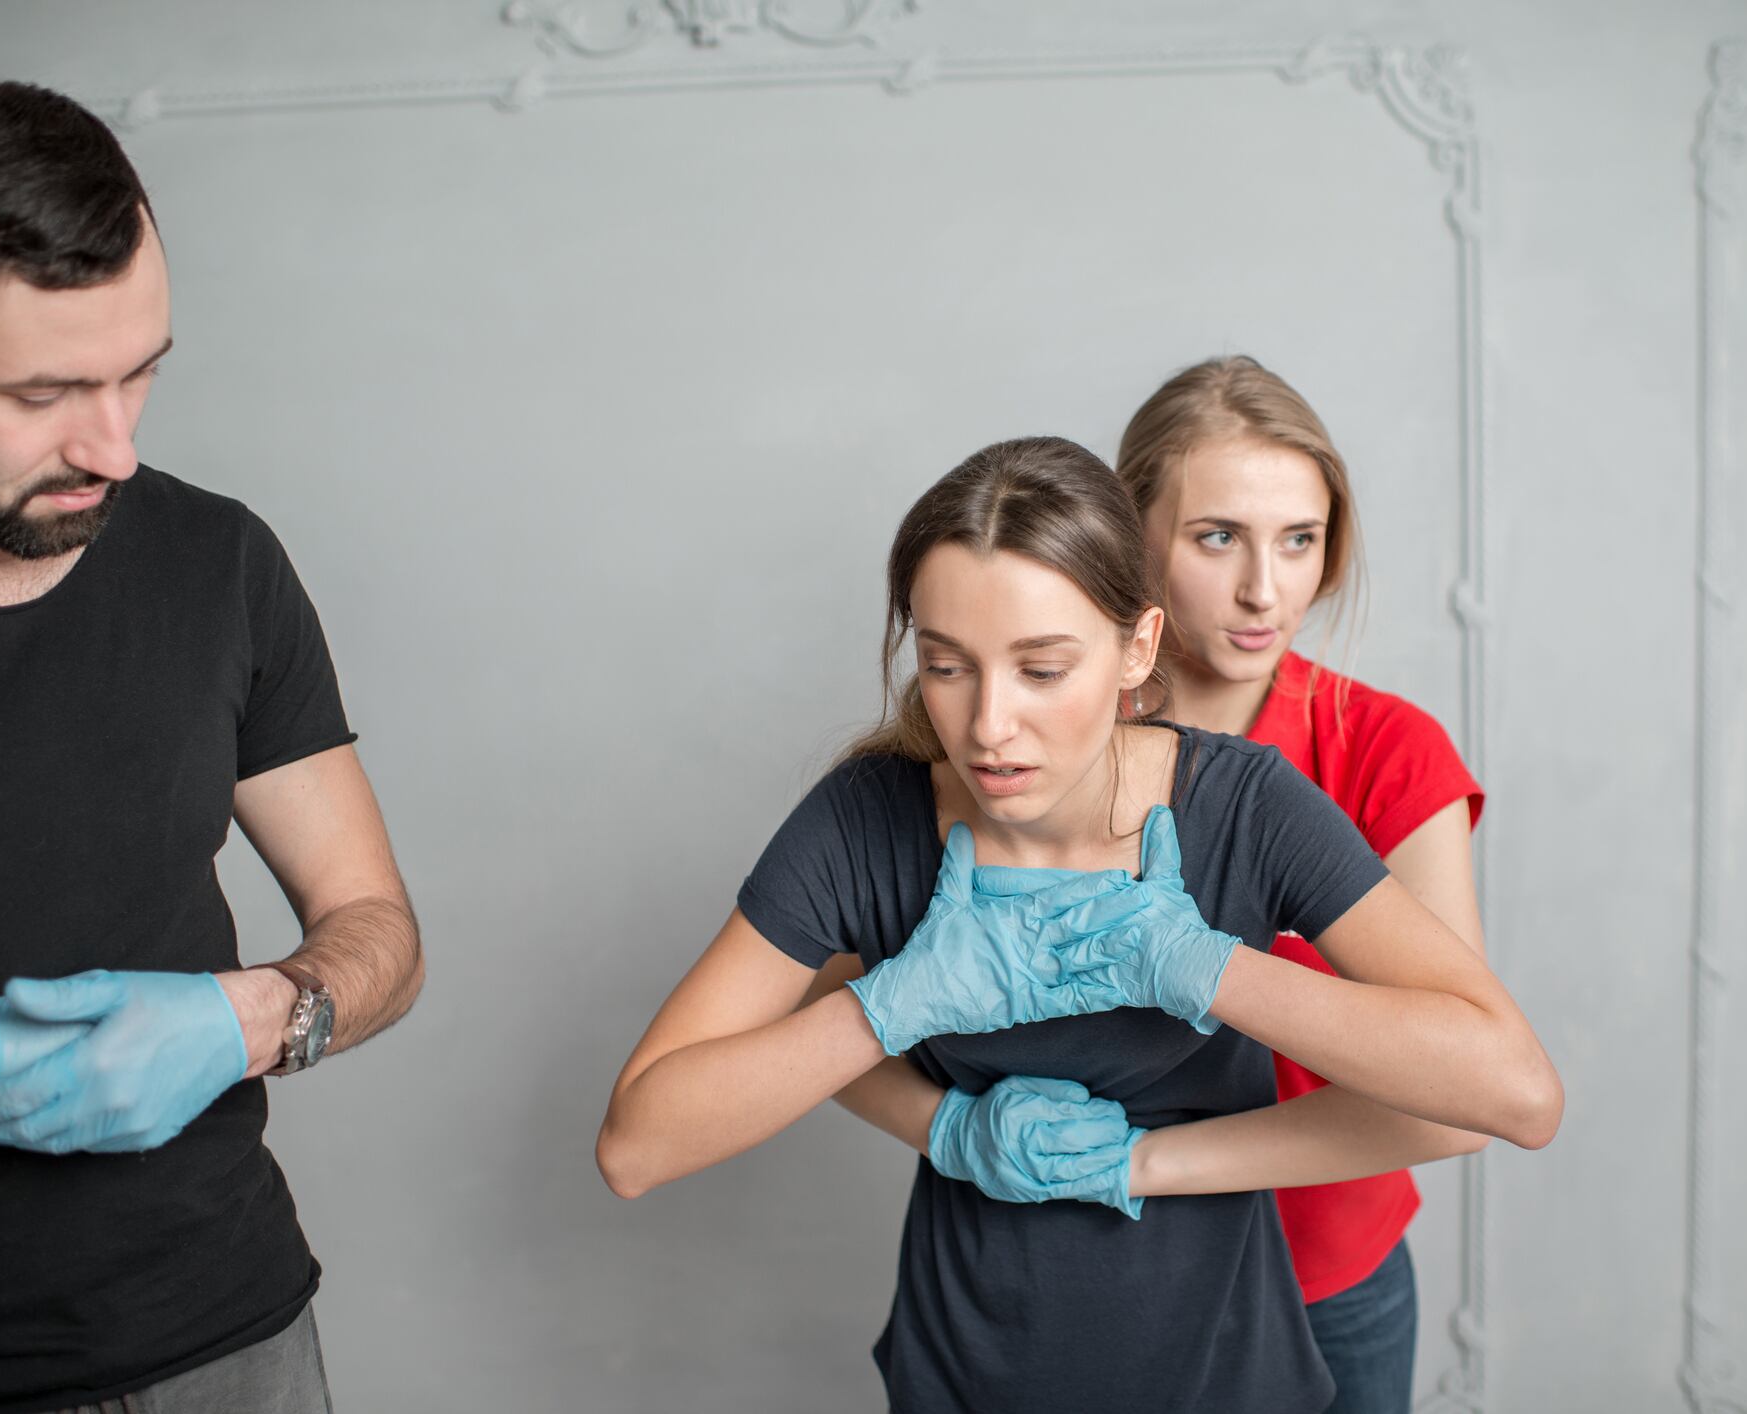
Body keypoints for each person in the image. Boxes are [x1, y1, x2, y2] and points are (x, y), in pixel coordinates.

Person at [597, 435, 1561, 1414]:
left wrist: (1197, 966)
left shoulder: (1245, 808)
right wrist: (890, 1011)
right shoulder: (862, 820)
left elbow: (1514, 1095)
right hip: (963, 1379)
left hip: (1227, 1381)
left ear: (1135, 649)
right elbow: (637, 1145)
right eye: (947, 665)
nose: (987, 725)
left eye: (1042, 669)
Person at [0, 74, 423, 1414]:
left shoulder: (216, 560)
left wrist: (257, 1017)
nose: (112, 446)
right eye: (47, 393)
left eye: (140, 374)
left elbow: (375, 923)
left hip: (228, 1338)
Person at [1115, 354, 1487, 1412]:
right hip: (1100, 1271)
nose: (1262, 590)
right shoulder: (1047, 737)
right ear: (1130, 532)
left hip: (1330, 1288)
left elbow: (1457, 1101)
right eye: (1215, 535)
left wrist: (1143, 1161)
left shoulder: (1386, 749)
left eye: (1298, 540)